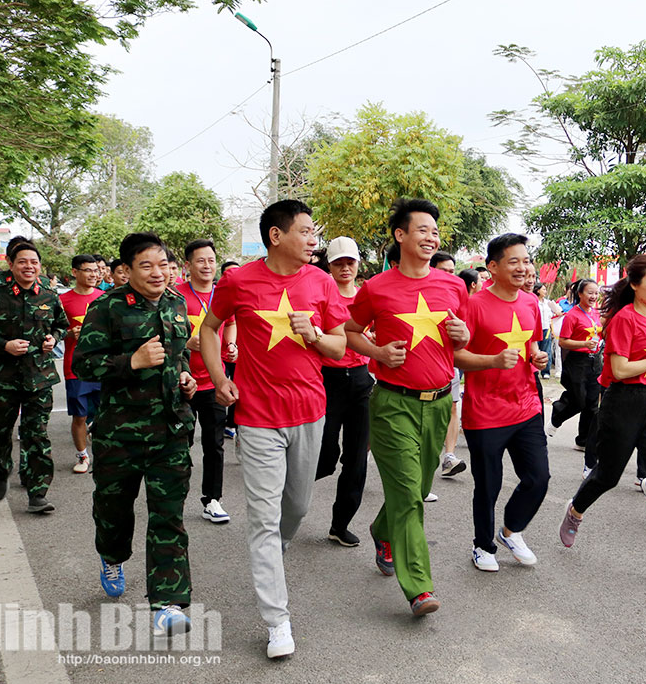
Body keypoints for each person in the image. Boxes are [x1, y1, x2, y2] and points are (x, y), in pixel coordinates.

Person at [199, 200, 348, 658]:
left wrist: (314, 334)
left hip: (309, 412)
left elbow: (340, 347)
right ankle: (277, 621)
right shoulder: (238, 281)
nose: (313, 240)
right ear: (276, 235)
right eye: (305, 231)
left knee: (297, 507)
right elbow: (210, 329)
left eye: (314, 232)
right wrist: (220, 378)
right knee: (263, 519)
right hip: (257, 417)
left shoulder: (321, 282)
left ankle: (277, 546)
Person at [344, 198, 469, 617]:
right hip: (393, 403)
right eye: (422, 230)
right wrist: (378, 351)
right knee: (408, 495)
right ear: (400, 235)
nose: (431, 237)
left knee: (413, 488)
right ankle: (419, 587)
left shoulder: (453, 286)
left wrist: (464, 335)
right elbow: (350, 331)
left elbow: (462, 340)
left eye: (435, 231)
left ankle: (383, 531)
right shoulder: (376, 288)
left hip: (439, 404)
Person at [74, 232, 198, 637]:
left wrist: (185, 376)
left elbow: (179, 354)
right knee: (114, 511)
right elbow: (84, 364)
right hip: (119, 436)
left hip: (170, 431)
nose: (158, 272)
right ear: (126, 270)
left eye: (163, 264)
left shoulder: (176, 303)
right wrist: (132, 361)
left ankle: (168, 604)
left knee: (168, 518)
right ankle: (111, 556)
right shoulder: (106, 307)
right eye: (147, 265)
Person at [559, 255, 646, 579]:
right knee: (607, 476)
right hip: (622, 403)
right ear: (635, 285)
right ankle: (575, 510)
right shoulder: (624, 319)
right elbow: (620, 370)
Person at [454, 234, 549, 572]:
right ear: (492, 267)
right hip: (485, 411)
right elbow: (457, 356)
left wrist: (537, 357)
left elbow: (531, 344)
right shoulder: (474, 305)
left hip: (526, 405)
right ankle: (483, 546)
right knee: (488, 486)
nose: (523, 267)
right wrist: (493, 361)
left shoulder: (530, 303)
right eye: (514, 261)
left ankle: (511, 530)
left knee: (538, 478)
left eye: (526, 260)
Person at [0, 242, 69, 513]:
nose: (29, 267)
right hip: (3, 377)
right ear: (11, 264)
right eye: (23, 262)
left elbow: (61, 325)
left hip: (39, 376)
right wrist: (4, 345)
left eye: (34, 262)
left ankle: (38, 493)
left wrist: (53, 339)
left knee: (37, 435)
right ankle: (1, 470)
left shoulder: (48, 293)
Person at [315, 236, 374, 547]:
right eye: (339, 262)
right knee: (325, 454)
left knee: (357, 459)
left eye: (350, 262)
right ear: (330, 265)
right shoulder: (320, 295)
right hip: (327, 379)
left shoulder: (367, 297)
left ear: (358, 264)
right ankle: (287, 491)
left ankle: (340, 524)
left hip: (362, 381)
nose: (345, 268)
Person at [177, 239, 236, 524]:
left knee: (214, 444)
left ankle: (212, 500)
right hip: (183, 382)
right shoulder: (175, 296)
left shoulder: (222, 293)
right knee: (181, 443)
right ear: (188, 265)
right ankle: (175, 496)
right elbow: (162, 333)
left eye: (211, 260)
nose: (207, 265)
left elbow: (232, 322)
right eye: (200, 260)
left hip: (214, 382)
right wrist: (186, 343)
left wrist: (231, 344)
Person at [548, 279, 601, 465]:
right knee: (579, 399)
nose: (594, 296)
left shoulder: (596, 313)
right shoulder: (572, 315)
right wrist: (584, 343)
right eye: (590, 293)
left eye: (596, 293)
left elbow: (599, 332)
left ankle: (583, 440)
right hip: (577, 361)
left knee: (592, 404)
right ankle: (557, 414)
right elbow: (563, 341)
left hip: (595, 361)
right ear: (580, 294)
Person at [59, 254, 104, 474]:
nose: (94, 275)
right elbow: (53, 331)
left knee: (105, 414)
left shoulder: (105, 298)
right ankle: (82, 456)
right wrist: (69, 333)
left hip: (103, 366)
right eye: (88, 270)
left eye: (96, 270)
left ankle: (105, 455)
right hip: (75, 367)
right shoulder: (62, 300)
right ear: (75, 272)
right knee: (80, 416)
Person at [428, 251, 466, 484]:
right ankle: (363, 453)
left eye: (453, 272)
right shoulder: (417, 293)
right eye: (445, 271)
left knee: (452, 408)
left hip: (448, 366)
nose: (450, 276)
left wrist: (464, 335)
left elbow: (465, 336)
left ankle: (449, 457)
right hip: (417, 373)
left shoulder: (457, 296)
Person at [218, 260, 241, 439]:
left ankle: (232, 423)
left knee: (238, 389)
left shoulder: (248, 295)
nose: (234, 277)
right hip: (220, 357)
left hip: (240, 356)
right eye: (228, 273)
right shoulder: (220, 298)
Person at [535, 282, 560, 379]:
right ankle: (534, 370)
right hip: (535, 329)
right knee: (535, 350)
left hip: (546, 329)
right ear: (538, 290)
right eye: (543, 289)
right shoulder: (534, 301)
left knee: (546, 350)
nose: (545, 291)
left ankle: (546, 371)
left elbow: (558, 312)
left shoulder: (548, 303)